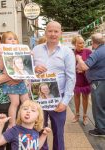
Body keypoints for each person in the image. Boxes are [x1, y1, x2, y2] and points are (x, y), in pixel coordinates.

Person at [32, 21, 76, 150]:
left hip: (58, 97)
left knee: (58, 132)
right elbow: (27, 70)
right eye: (50, 31)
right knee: (39, 129)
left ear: (60, 33)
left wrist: (65, 101)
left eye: (56, 31)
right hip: (38, 97)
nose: (53, 34)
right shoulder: (36, 49)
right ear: (45, 33)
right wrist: (34, 68)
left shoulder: (67, 52)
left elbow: (71, 77)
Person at [0, 31, 30, 128]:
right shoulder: (2, 53)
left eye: (14, 39)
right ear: (3, 42)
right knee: (15, 103)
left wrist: (30, 55)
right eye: (10, 39)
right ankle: (12, 123)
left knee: (26, 102)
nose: (13, 41)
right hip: (10, 83)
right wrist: (1, 56)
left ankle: (26, 120)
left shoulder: (20, 51)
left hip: (20, 82)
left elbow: (27, 65)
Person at [76, 33, 105, 137]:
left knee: (98, 106)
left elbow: (84, 67)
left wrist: (79, 59)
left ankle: (101, 130)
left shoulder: (97, 52)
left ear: (93, 42)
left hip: (99, 82)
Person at [71, 35, 92, 125]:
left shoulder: (88, 52)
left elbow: (92, 64)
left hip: (85, 78)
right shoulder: (71, 53)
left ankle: (85, 115)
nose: (82, 44)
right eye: (79, 43)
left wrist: (85, 68)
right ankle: (77, 114)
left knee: (85, 97)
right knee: (76, 96)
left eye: (83, 42)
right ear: (74, 44)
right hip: (75, 78)